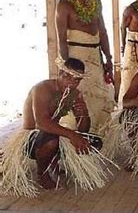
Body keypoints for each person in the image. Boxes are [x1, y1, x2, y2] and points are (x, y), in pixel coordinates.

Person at [0, 58, 109, 197]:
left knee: (94, 143)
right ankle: (42, 172)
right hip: (33, 137)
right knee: (51, 141)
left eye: (76, 80)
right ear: (59, 73)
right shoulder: (42, 89)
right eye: (67, 77)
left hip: (57, 135)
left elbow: (83, 131)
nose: (71, 82)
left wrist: (84, 114)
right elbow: (41, 123)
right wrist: (72, 135)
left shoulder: (74, 94)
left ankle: (53, 160)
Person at [55, 0, 115, 135]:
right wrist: (67, 67)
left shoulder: (95, 1)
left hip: (95, 55)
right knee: (78, 95)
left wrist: (109, 57)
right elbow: (61, 39)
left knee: (98, 95)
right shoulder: (64, 4)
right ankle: (75, 135)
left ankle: (98, 135)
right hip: (76, 55)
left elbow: (102, 32)